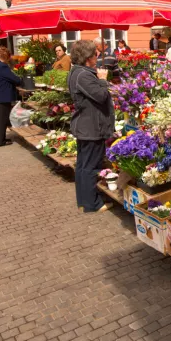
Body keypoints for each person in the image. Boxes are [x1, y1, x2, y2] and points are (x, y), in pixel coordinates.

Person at [68, 40, 114, 213]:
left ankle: (84, 201)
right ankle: (91, 204)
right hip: (91, 127)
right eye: (96, 53)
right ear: (88, 57)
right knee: (90, 166)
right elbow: (101, 96)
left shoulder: (79, 72)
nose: (98, 56)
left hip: (87, 125)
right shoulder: (83, 75)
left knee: (83, 165)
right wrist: (103, 80)